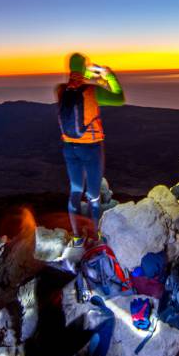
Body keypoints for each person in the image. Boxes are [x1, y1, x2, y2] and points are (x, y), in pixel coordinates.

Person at [56, 53, 125, 239]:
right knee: (93, 194)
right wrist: (108, 76)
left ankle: (77, 236)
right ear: (85, 68)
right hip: (91, 147)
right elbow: (120, 98)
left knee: (75, 190)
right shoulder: (93, 91)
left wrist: (86, 75)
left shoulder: (60, 90)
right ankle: (96, 235)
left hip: (69, 148)